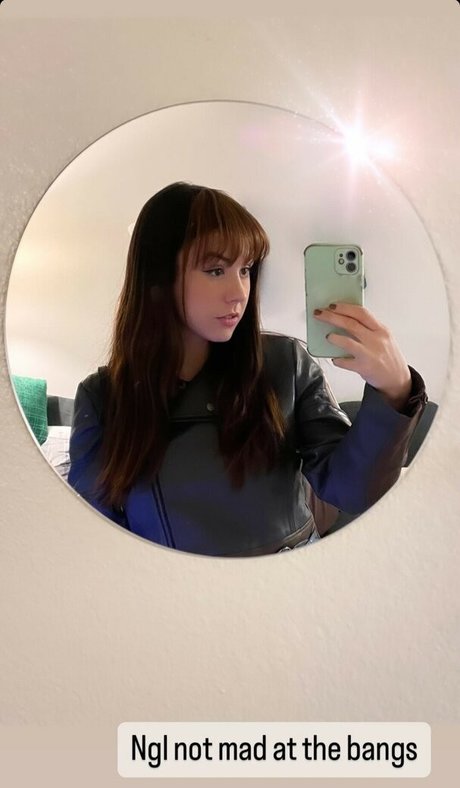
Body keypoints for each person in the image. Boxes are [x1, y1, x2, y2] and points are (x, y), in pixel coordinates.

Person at [68, 181, 427, 557]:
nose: (240, 292)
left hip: (291, 574)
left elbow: (352, 491)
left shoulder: (285, 363)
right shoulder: (104, 397)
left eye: (246, 269)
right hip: (177, 587)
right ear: (158, 277)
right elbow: (102, 539)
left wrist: (394, 390)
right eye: (215, 270)